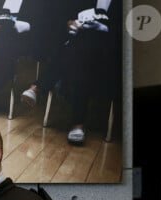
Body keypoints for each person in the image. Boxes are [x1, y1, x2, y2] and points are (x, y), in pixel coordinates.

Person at [20, 0, 120, 145]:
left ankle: (36, 88)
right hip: (80, 48)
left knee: (77, 51)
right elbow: (66, 18)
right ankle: (77, 124)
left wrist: (103, 27)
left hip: (110, 53)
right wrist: (70, 24)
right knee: (79, 51)